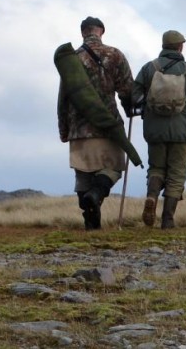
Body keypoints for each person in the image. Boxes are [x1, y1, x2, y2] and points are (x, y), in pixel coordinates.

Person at [57, 16, 136, 230]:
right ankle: (97, 192)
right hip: (108, 125)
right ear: (102, 31)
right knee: (114, 168)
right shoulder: (114, 55)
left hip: (78, 127)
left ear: (83, 32)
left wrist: (64, 130)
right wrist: (130, 109)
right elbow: (127, 89)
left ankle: (92, 225)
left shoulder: (71, 60)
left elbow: (63, 97)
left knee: (83, 176)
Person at [132, 30, 186, 229]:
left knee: (157, 167)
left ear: (163, 45)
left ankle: (152, 196)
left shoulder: (149, 68)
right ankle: (167, 220)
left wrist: (149, 106)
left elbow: (134, 96)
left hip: (154, 130)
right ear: (180, 47)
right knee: (176, 173)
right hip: (181, 129)